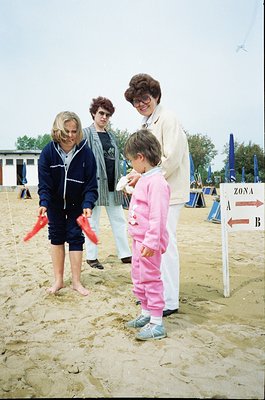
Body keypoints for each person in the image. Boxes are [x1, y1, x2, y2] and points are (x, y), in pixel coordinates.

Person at [124, 73, 190, 316]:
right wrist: (134, 175)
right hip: (154, 190)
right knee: (152, 244)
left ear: (155, 96)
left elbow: (170, 158)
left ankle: (169, 300)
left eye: (144, 98)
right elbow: (144, 160)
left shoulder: (168, 118)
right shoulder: (147, 123)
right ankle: (154, 295)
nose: (141, 104)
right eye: (136, 102)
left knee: (166, 244)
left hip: (169, 192)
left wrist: (144, 176)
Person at [38, 111, 98, 295]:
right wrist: (44, 202)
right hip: (55, 204)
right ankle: (58, 281)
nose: (71, 136)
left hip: (77, 205)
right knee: (56, 237)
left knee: (75, 237)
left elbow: (91, 184)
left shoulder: (86, 153)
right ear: (58, 130)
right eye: (66, 131)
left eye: (74, 131)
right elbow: (44, 184)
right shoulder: (48, 152)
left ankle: (77, 282)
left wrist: (88, 204)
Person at [124, 129, 170, 340]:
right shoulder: (144, 178)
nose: (131, 165)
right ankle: (145, 313)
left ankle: (157, 322)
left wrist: (151, 243)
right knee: (139, 277)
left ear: (141, 158)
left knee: (151, 279)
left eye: (132, 161)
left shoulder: (158, 182)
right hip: (138, 240)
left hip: (148, 244)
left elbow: (158, 217)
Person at [83, 96, 132, 269]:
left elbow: (116, 160)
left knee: (119, 220)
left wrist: (123, 182)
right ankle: (91, 257)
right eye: (101, 113)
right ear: (94, 113)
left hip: (114, 184)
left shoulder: (111, 136)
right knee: (92, 222)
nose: (104, 117)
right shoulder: (86, 134)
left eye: (108, 114)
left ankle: (125, 254)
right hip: (94, 185)